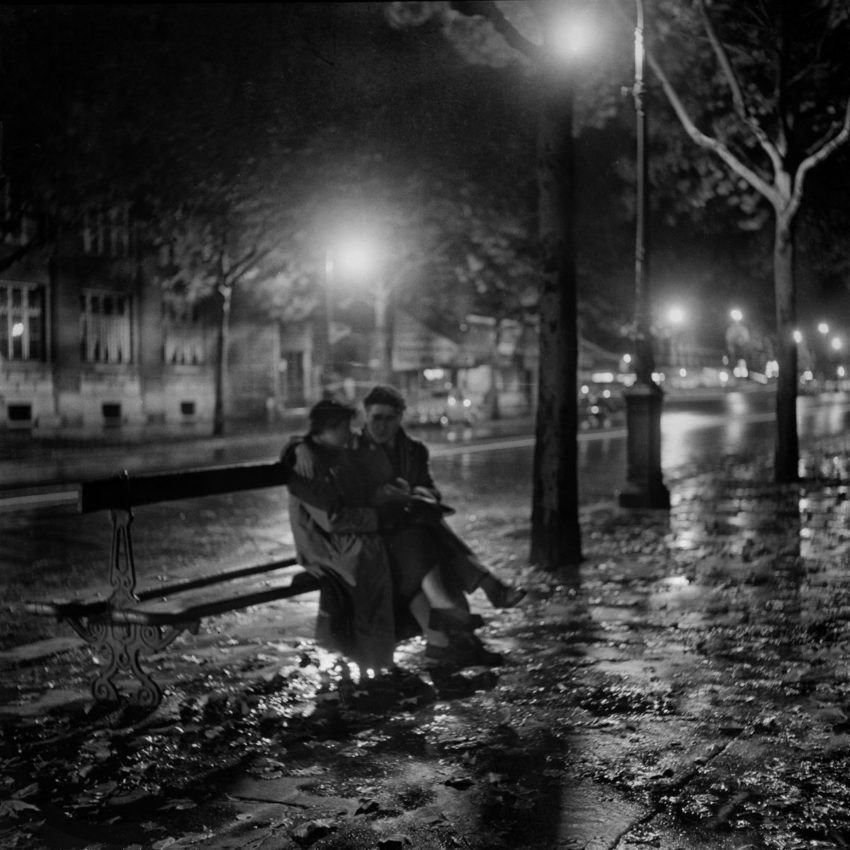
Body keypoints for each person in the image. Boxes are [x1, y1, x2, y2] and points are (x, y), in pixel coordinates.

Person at [293, 385, 525, 667]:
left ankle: (446, 636)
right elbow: (343, 499)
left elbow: (428, 489)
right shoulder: (349, 448)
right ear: (366, 416)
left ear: (400, 417)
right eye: (375, 418)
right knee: (425, 540)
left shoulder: (412, 450)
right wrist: (383, 498)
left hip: (399, 530)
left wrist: (415, 494)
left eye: (389, 418)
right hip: (376, 533)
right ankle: (470, 607)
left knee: (424, 538)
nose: (381, 425)